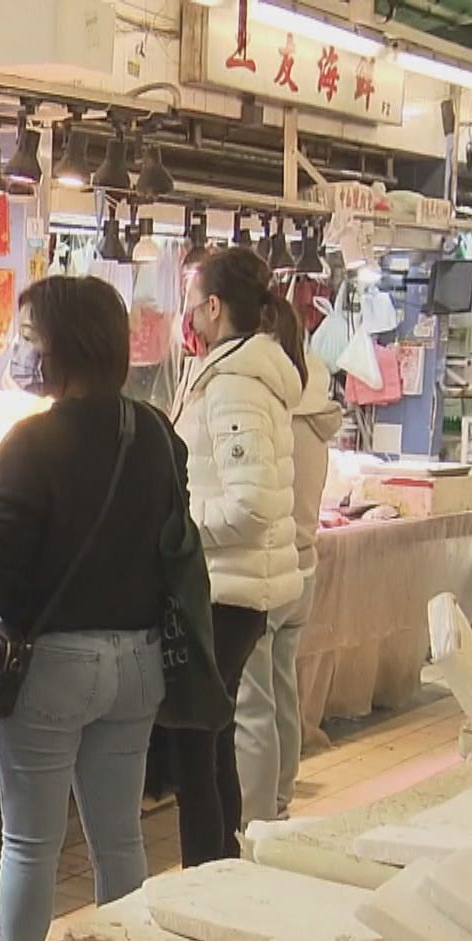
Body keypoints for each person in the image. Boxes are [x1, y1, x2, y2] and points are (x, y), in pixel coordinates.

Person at [0, 276, 190, 941]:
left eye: (31, 337)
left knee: (30, 843)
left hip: (54, 665)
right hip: (139, 661)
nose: (24, 350)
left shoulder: (30, 444)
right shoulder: (156, 432)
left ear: (64, 346)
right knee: (121, 838)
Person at [171, 247, 305, 864]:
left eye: (193, 304)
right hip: (233, 586)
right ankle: (219, 866)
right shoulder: (235, 375)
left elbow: (248, 505)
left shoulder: (234, 388)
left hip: (227, 590)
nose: (188, 317)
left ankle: (207, 873)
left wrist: (175, 527)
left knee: (197, 744)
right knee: (212, 737)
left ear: (215, 308)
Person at [235, 329, 338, 825]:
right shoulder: (317, 412)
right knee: (282, 688)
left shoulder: (272, 413)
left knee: (253, 703)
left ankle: (255, 818)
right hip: (305, 563)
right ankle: (280, 795)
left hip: (269, 568)